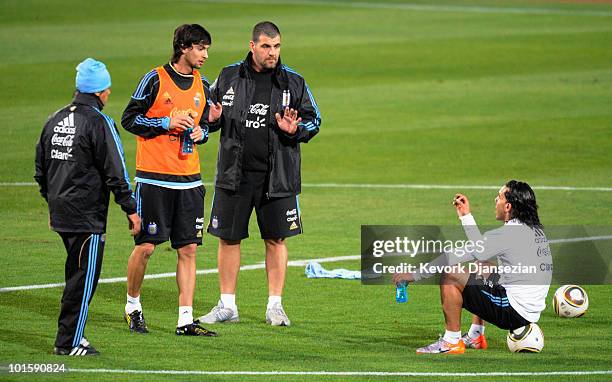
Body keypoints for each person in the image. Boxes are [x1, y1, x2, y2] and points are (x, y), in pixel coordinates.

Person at [198, 21, 321, 327]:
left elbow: (314, 120)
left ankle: (275, 306)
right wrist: (210, 120)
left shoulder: (294, 82)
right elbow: (208, 118)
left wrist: (297, 129)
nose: (272, 53)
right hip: (234, 175)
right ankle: (227, 306)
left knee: (276, 240)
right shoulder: (228, 77)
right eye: (266, 46)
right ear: (252, 46)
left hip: (276, 176)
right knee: (228, 239)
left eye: (277, 46)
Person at [35, 58, 141, 356]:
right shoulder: (99, 122)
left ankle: (72, 337)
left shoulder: (53, 119)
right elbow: (115, 171)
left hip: (61, 212)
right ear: (99, 91)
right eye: (107, 89)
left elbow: (40, 170)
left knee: (76, 275)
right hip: (87, 217)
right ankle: (68, 342)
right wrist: (130, 209)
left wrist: (52, 204)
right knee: (82, 280)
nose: (108, 94)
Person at [121, 24, 222, 336]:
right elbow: (129, 119)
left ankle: (185, 319)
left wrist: (202, 131)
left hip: (189, 180)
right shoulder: (155, 79)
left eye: (207, 49)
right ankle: (132, 306)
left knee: (189, 248)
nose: (205, 54)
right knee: (147, 247)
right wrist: (165, 122)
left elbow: (210, 123)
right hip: (154, 179)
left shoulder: (203, 85)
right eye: (200, 48)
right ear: (184, 47)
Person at [393, 180, 552, 354]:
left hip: (513, 311)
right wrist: (466, 217)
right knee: (482, 266)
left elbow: (455, 256)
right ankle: (476, 336)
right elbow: (481, 250)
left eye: (498, 197)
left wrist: (414, 275)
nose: (495, 200)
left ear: (508, 206)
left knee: (451, 273)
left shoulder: (509, 234)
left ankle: (451, 342)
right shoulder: (534, 230)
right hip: (530, 309)